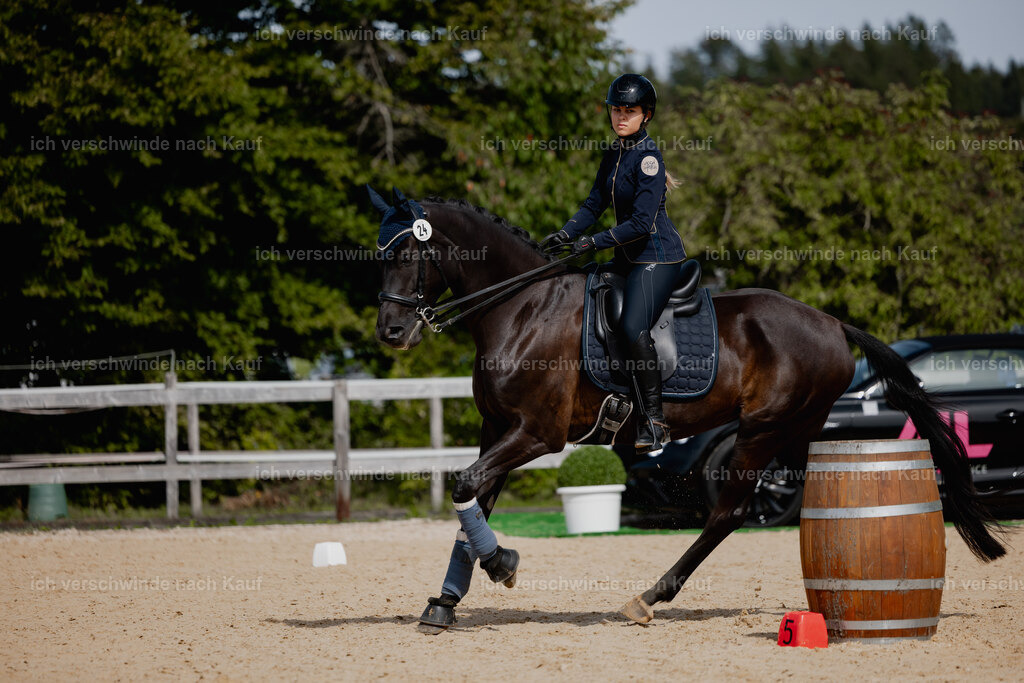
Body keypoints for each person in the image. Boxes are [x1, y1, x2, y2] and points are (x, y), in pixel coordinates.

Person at [543, 73, 686, 453]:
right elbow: (594, 204)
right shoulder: (614, 154)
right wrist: (565, 233)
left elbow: (640, 225)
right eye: (617, 109)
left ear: (647, 115)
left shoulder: (649, 159)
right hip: (626, 257)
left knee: (632, 324)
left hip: (656, 257)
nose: (621, 117)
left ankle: (654, 421)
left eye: (630, 111)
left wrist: (592, 242)